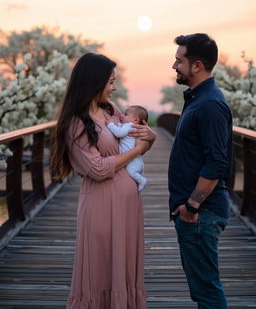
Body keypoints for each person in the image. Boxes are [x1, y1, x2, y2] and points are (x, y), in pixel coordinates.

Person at [51, 52, 156, 309]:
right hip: (100, 208)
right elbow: (97, 169)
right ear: (93, 82)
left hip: (128, 207)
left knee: (125, 266)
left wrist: (148, 138)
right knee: (100, 267)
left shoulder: (111, 110)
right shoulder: (75, 124)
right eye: (110, 82)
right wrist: (138, 151)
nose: (114, 87)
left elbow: (132, 138)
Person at [168, 33, 232, 309]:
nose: (174, 65)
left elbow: (217, 162)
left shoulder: (209, 104)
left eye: (179, 60)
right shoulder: (198, 99)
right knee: (202, 289)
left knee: (207, 291)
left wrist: (192, 206)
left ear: (197, 66)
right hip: (196, 214)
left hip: (200, 214)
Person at [107, 105, 149, 191]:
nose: (122, 116)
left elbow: (119, 133)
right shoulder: (129, 125)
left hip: (133, 161)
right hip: (136, 160)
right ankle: (139, 181)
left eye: (126, 114)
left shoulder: (130, 125)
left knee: (131, 171)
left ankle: (142, 180)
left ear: (136, 120)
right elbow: (121, 128)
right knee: (133, 174)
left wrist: (110, 124)